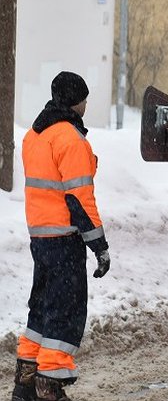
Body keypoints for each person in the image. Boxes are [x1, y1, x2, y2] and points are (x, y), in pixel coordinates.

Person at [11, 71, 110, 401]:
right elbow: (80, 198)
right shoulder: (69, 139)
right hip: (65, 238)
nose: (85, 104)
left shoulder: (34, 136)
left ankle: (25, 381)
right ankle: (48, 386)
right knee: (65, 311)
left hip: (39, 237)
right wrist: (99, 245)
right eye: (84, 99)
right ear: (75, 101)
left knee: (40, 307)